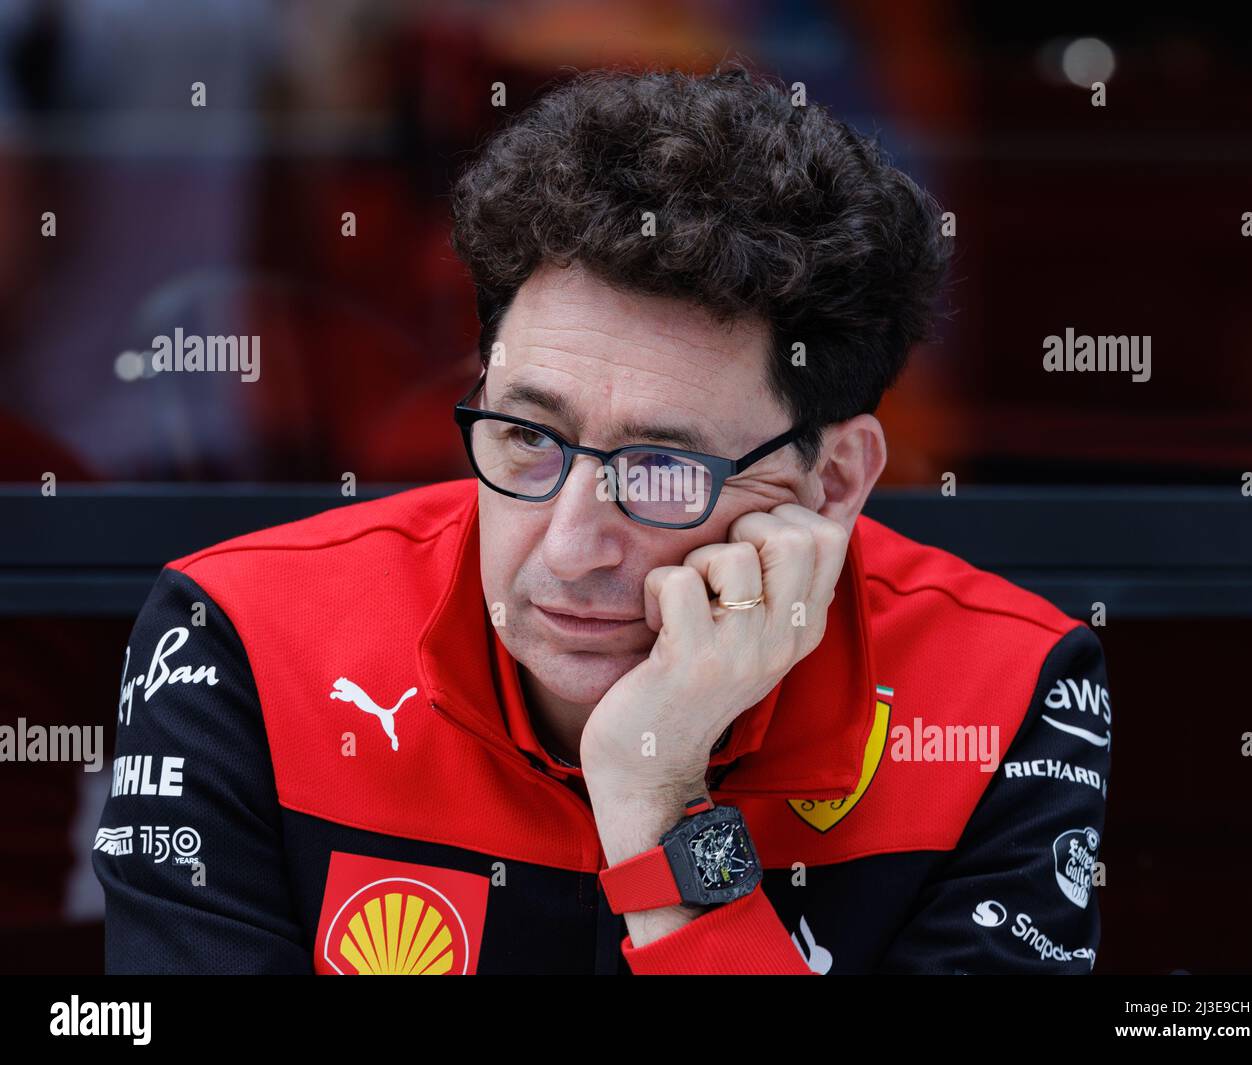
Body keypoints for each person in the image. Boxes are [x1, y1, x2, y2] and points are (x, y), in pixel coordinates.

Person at [93, 63, 1110, 974]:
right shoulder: (243, 639)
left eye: (661, 467)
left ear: (832, 481)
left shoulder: (999, 691)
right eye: (530, 437)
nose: (572, 548)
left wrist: (658, 797)